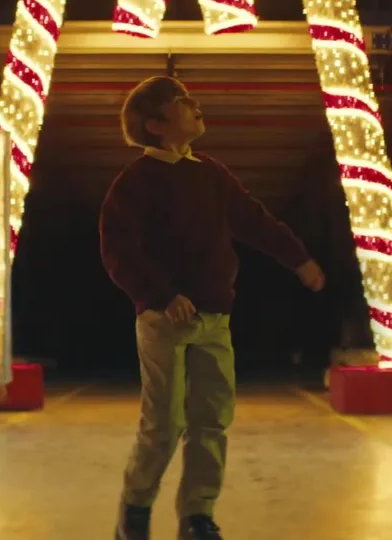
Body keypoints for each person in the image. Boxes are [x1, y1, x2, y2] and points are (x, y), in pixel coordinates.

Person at [101, 76, 326, 540]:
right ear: (156, 124)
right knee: (164, 424)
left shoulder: (211, 174)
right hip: (164, 321)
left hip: (215, 319)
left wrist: (298, 258)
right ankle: (135, 508)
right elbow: (118, 250)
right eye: (181, 101)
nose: (195, 104)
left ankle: (197, 515)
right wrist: (161, 296)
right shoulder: (135, 182)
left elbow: (255, 221)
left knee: (211, 421)